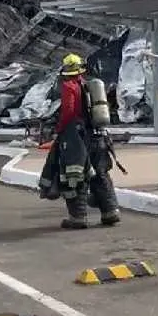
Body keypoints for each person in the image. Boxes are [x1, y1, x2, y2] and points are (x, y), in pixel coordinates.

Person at [39, 53, 99, 229]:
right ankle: (98, 212)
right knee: (83, 173)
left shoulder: (68, 86)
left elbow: (69, 110)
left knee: (70, 176)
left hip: (72, 134)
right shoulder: (84, 84)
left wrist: (59, 129)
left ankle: (77, 217)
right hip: (86, 132)